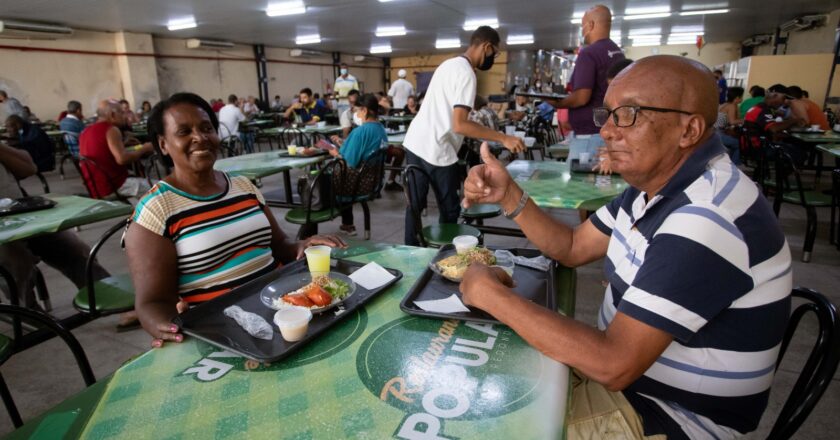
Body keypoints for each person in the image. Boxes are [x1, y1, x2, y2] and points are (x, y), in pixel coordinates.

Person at [461, 55, 792, 439]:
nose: (608, 131)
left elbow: (613, 364)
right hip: (633, 386)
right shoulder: (652, 190)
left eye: (629, 114)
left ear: (689, 130)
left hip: (674, 418)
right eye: (609, 114)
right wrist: (510, 196)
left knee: (481, 419)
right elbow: (571, 245)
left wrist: (489, 295)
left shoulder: (706, 216)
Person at [124, 92, 346, 348]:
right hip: (223, 330)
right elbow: (151, 303)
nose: (200, 137)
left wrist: (303, 245)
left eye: (207, 128)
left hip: (284, 308)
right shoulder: (157, 209)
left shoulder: (243, 186)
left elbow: (280, 245)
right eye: (184, 132)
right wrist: (171, 328)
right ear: (163, 144)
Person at [401, 25, 525, 245]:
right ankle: (447, 258)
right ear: (486, 47)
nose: (493, 59)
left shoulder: (448, 64)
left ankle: (411, 254)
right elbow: (460, 125)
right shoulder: (467, 73)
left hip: (414, 142)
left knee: (415, 206)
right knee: (450, 211)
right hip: (437, 150)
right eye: (494, 54)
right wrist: (503, 138)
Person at [0, 142, 111, 310]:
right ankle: (28, 314)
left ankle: (109, 298)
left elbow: (29, 167)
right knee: (15, 262)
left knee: (74, 248)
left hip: (22, 217)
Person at [547, 5, 625, 162]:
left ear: (590, 25)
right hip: (610, 131)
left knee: (579, 183)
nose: (582, 31)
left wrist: (557, 103)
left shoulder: (588, 54)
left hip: (589, 137)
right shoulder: (618, 53)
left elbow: (582, 97)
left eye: (582, 26)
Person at [326, 93, 388, 235]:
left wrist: (334, 153)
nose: (356, 114)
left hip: (358, 182)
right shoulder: (380, 128)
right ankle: (347, 223)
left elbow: (349, 161)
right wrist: (342, 143)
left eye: (357, 110)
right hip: (373, 180)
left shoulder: (360, 131)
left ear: (365, 110)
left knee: (324, 178)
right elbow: (361, 150)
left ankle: (320, 218)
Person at [79, 100, 154, 198]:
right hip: (114, 186)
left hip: (95, 188)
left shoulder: (86, 131)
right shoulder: (111, 129)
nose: (125, 116)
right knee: (164, 188)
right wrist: (144, 148)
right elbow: (122, 159)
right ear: (113, 115)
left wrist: (122, 144)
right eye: (122, 113)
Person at [716, 86, 744, 164]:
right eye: (742, 96)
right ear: (738, 97)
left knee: (733, 142)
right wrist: (745, 120)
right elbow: (732, 122)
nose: (742, 98)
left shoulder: (724, 104)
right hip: (718, 134)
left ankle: (731, 163)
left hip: (715, 133)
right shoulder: (731, 106)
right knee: (739, 144)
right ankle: (735, 164)